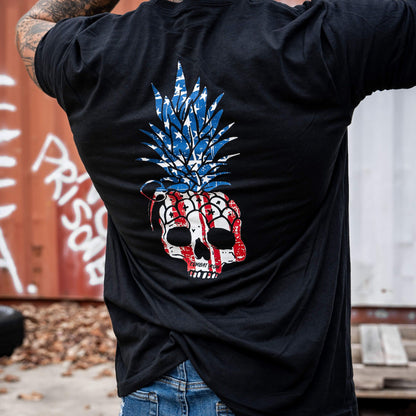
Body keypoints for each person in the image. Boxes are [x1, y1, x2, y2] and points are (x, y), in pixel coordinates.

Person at [15, 0, 416, 415]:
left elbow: (35, 23)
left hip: (154, 387)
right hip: (289, 392)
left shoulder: (89, 57)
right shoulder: (316, 42)